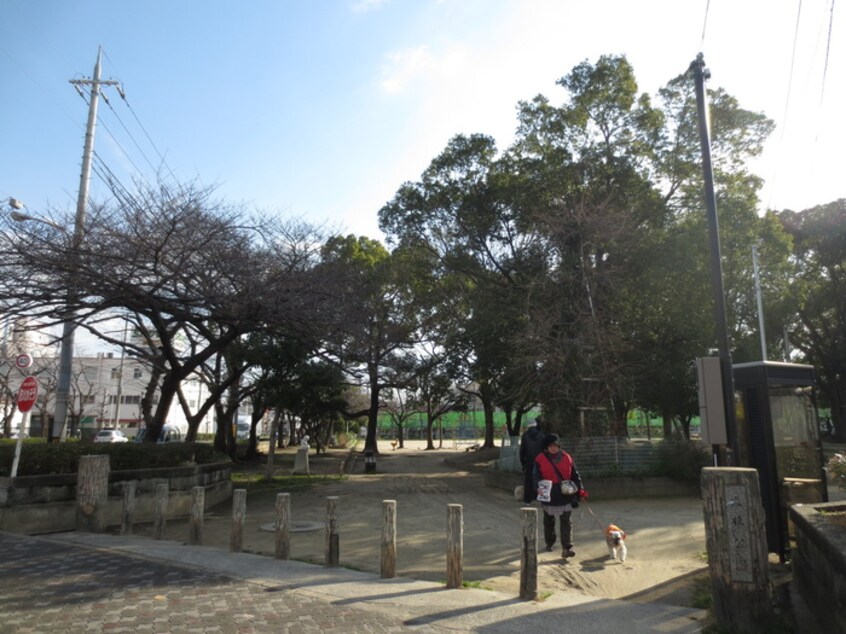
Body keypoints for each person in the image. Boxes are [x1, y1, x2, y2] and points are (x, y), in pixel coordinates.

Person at [532, 433, 583, 558]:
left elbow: (575, 475)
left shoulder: (567, 457)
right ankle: (550, 541)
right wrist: (538, 487)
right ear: (546, 447)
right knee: (549, 520)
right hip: (549, 493)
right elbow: (535, 476)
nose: (553, 448)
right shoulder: (540, 459)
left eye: (555, 445)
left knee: (566, 521)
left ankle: (566, 547)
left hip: (565, 493)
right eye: (550, 446)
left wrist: (580, 490)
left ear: (559, 445)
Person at [519, 417, 546, 503]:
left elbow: (522, 450)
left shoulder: (525, 435)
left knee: (528, 480)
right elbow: (545, 449)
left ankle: (528, 500)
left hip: (529, 461)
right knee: (540, 479)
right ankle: (541, 497)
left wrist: (523, 463)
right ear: (536, 425)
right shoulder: (541, 435)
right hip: (540, 461)